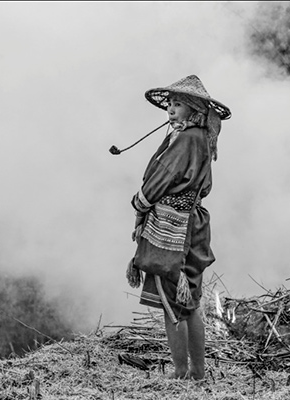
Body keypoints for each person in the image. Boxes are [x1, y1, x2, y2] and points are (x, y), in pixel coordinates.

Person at [126, 75, 231, 380]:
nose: (171, 110)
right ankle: (197, 373)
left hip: (175, 228)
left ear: (194, 109)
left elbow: (161, 177)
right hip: (195, 223)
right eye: (170, 104)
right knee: (190, 304)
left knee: (173, 304)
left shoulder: (186, 139)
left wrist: (140, 204)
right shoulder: (199, 137)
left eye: (179, 104)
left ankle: (180, 372)